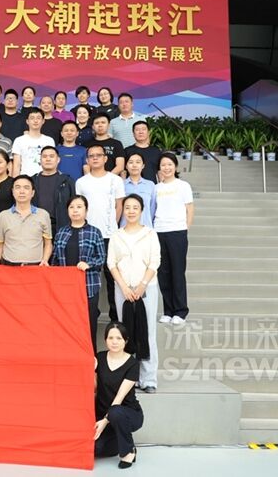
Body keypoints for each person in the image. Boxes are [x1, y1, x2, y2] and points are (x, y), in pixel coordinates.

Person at [107, 194, 161, 392]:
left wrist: (142, 285)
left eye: (135, 207)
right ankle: (130, 378)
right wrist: (123, 286)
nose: (130, 211)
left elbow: (155, 261)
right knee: (126, 332)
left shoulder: (150, 234)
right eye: (127, 207)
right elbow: (111, 263)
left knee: (147, 332)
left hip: (146, 288)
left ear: (141, 210)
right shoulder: (116, 235)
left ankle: (149, 379)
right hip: (123, 289)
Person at [76, 146, 125, 321]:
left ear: (105, 158)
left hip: (110, 235)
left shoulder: (115, 180)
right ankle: (89, 316)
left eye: (99, 155)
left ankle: (115, 318)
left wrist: (113, 226)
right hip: (87, 235)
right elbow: (79, 207)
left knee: (112, 277)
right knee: (88, 276)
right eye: (91, 156)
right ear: (87, 160)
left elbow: (119, 205)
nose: (95, 158)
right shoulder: (81, 182)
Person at [51, 195, 106, 353]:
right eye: (72, 207)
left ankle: (90, 358)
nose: (75, 210)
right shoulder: (61, 233)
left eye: (79, 207)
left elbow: (101, 258)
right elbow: (55, 260)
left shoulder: (95, 232)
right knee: (67, 325)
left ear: (86, 210)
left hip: (88, 287)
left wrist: (89, 265)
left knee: (89, 325)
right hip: (65, 289)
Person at [93, 322, 144, 469]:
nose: (114, 342)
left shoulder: (132, 364)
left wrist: (104, 422)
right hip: (104, 414)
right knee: (96, 449)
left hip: (127, 413)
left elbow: (118, 399)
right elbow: (95, 389)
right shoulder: (100, 358)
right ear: (105, 340)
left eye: (119, 338)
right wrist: (92, 371)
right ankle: (118, 440)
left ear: (125, 341)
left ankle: (128, 452)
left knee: (116, 412)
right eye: (110, 338)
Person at [154, 153, 194, 325]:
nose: (166, 168)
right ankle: (168, 311)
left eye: (170, 164)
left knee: (177, 272)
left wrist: (185, 228)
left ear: (175, 166)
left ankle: (180, 311)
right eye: (163, 165)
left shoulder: (183, 186)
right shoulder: (156, 188)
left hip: (177, 232)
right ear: (159, 168)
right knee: (163, 273)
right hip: (159, 231)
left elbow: (189, 208)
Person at [0, 175, 53, 266]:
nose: (22, 191)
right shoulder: (3, 216)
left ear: (32, 193)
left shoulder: (43, 215)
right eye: (17, 187)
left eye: (26, 188)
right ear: (12, 192)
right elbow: (0, 244)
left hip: (35, 267)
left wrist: (45, 260)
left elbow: (48, 244)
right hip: (8, 267)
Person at [32, 146, 75, 236]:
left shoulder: (67, 181)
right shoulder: (32, 181)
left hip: (61, 226)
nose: (48, 159)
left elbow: (73, 204)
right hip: (36, 226)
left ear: (58, 159)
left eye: (51, 156)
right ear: (40, 160)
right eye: (44, 156)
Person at [11, 107, 56, 176]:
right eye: (32, 118)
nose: (35, 121)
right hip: (25, 179)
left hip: (46, 178)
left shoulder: (49, 140)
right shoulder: (19, 140)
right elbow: (16, 165)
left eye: (38, 118)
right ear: (27, 121)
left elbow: (53, 164)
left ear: (43, 121)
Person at [123, 152, 156, 228]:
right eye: (131, 162)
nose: (134, 165)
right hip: (125, 228)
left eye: (138, 162)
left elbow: (152, 209)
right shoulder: (121, 185)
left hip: (145, 228)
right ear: (126, 166)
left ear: (143, 165)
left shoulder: (150, 185)